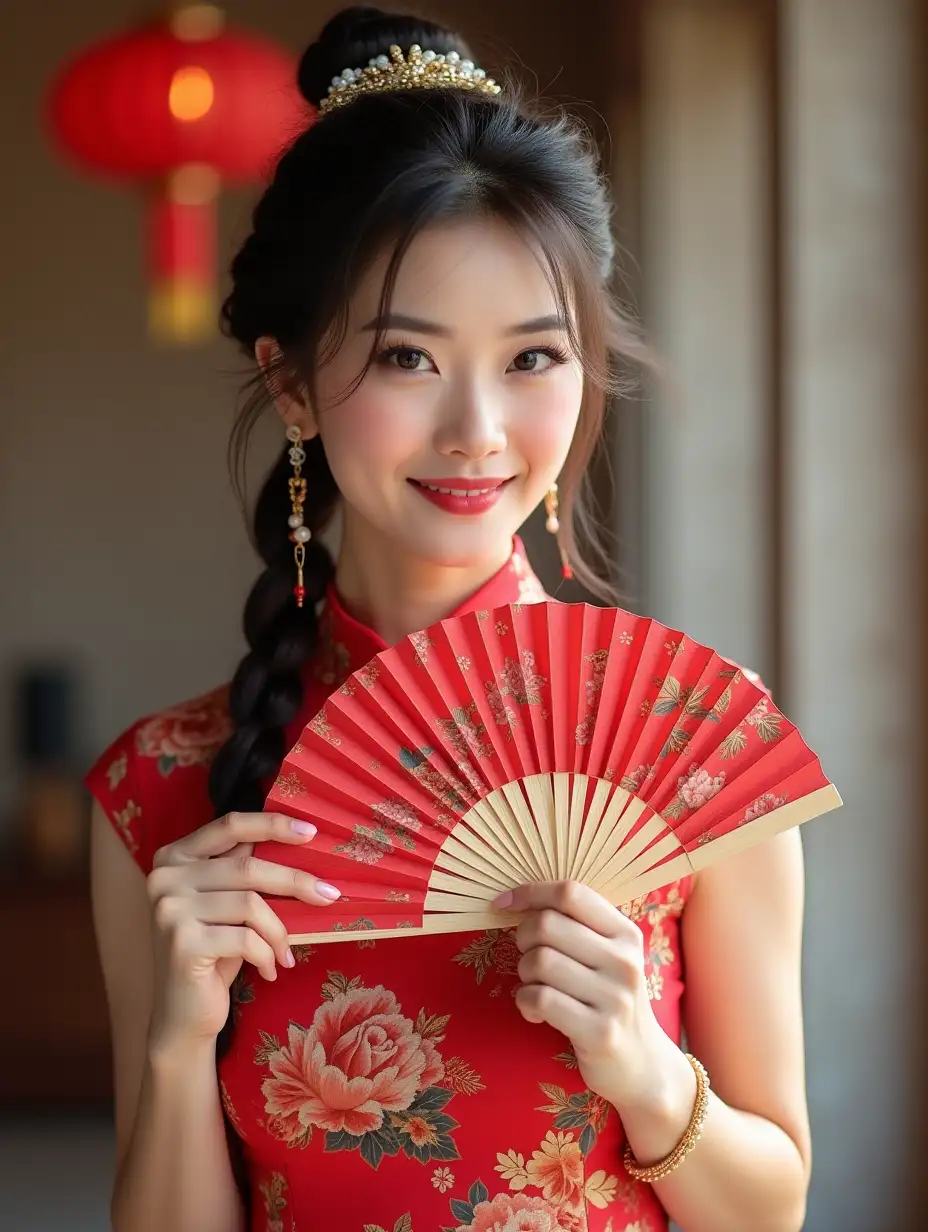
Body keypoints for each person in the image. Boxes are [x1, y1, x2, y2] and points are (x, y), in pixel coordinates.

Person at [87, 8, 811, 1231]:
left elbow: (771, 1206)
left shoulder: (698, 743)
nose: (478, 427)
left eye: (533, 358)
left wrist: (638, 1064)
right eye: (408, 358)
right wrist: (177, 1036)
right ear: (290, 381)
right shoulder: (165, 792)